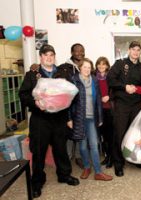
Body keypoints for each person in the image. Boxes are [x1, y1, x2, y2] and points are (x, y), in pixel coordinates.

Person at [19, 44, 79, 198]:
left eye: (51, 55)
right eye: (46, 55)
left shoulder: (62, 72)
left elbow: (71, 94)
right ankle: (37, 182)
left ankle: (64, 175)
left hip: (59, 118)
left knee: (60, 149)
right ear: (41, 57)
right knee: (39, 151)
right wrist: (35, 103)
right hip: (40, 119)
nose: (49, 58)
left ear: (54, 57)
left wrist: (67, 106)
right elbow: (24, 95)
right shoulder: (32, 74)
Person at [107, 41, 141, 177]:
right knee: (120, 134)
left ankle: (136, 159)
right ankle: (118, 164)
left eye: (138, 50)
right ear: (129, 50)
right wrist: (124, 87)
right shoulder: (120, 64)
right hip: (122, 105)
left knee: (136, 135)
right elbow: (110, 79)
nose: (136, 52)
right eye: (133, 49)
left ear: (140, 52)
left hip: (136, 105)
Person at [68, 58, 113, 181]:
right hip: (79, 118)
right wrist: (69, 118)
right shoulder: (74, 80)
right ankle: (87, 167)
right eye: (84, 67)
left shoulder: (94, 80)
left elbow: (98, 99)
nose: (87, 69)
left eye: (89, 67)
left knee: (94, 144)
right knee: (82, 147)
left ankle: (98, 172)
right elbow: (69, 101)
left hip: (92, 118)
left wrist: (100, 117)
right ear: (79, 68)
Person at [59, 43, 85, 169]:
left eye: (81, 51)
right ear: (72, 52)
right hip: (69, 105)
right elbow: (54, 74)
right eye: (76, 51)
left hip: (81, 105)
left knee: (80, 131)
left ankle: (79, 157)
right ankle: (68, 156)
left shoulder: (85, 66)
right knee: (69, 133)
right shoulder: (64, 67)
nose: (79, 53)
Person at [95, 56, 114, 168]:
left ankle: (111, 157)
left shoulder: (111, 77)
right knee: (103, 136)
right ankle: (107, 156)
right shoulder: (94, 78)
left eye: (104, 64)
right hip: (99, 110)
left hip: (110, 110)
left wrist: (109, 97)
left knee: (110, 135)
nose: (101, 66)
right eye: (99, 64)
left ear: (107, 66)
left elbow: (116, 91)